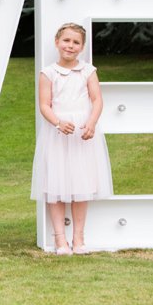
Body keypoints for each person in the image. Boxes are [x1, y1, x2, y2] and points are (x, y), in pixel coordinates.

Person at [31, 23, 113, 255]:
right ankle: (59, 240)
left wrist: (91, 123)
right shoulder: (48, 73)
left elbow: (97, 100)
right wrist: (57, 122)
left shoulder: (88, 71)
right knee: (55, 185)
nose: (70, 45)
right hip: (58, 133)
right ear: (57, 42)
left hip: (82, 134)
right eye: (66, 40)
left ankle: (79, 239)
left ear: (82, 47)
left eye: (76, 42)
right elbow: (44, 105)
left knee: (81, 184)